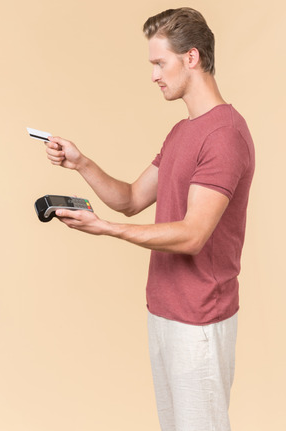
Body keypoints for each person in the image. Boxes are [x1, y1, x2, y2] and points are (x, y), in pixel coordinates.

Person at [45, 7, 255, 431]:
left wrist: (105, 229)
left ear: (191, 58)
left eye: (160, 63)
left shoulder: (225, 135)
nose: (154, 75)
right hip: (163, 311)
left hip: (199, 319)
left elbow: (193, 235)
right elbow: (130, 198)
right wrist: (80, 162)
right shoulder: (182, 132)